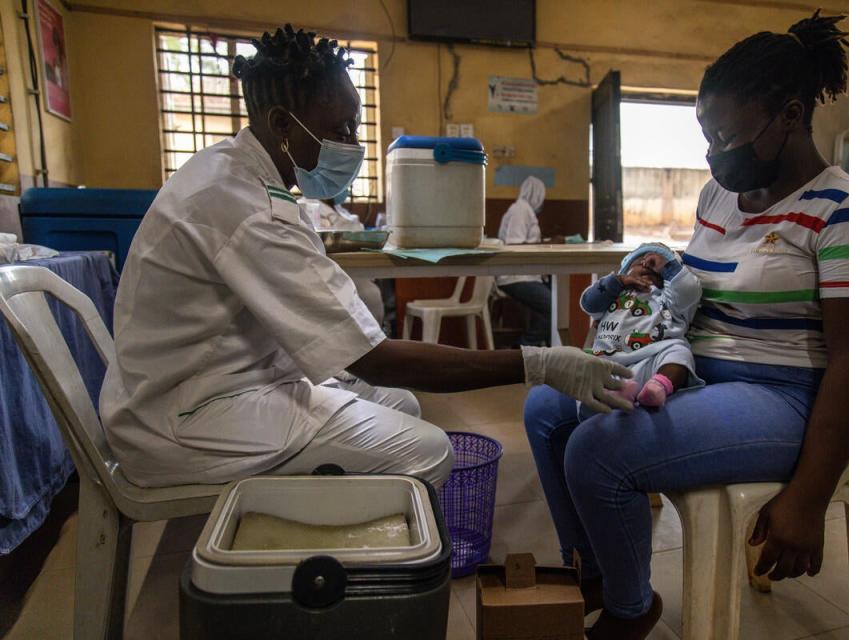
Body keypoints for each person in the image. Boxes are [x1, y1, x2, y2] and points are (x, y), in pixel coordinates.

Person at [99, 25, 632, 492]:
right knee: (427, 451)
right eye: (339, 130)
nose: (352, 145)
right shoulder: (247, 208)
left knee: (399, 402)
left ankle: (336, 534)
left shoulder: (236, 171)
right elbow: (373, 357)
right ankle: (327, 578)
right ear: (283, 123)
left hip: (207, 383)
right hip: (182, 416)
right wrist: (539, 363)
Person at [524, 11, 849, 639]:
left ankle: (629, 607)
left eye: (725, 137)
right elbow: (697, 284)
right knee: (545, 406)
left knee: (598, 451)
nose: (713, 155)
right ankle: (594, 569)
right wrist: (653, 274)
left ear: (788, 116)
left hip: (782, 397)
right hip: (695, 366)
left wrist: (809, 500)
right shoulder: (718, 197)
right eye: (706, 137)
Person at [580, 242, 702, 412]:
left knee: (680, 353)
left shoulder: (670, 299)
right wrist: (617, 281)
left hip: (652, 358)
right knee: (582, 366)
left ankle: (658, 386)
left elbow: (688, 288)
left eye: (655, 266)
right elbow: (588, 303)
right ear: (625, 271)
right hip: (607, 359)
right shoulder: (614, 294)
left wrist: (667, 266)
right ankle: (616, 392)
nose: (647, 264)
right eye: (639, 262)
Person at [497, 176, 552, 346]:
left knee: (559, 300)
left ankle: (547, 349)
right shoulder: (520, 210)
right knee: (553, 308)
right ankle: (524, 348)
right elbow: (515, 244)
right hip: (515, 277)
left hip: (526, 275)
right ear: (537, 194)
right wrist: (544, 244)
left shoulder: (525, 209)